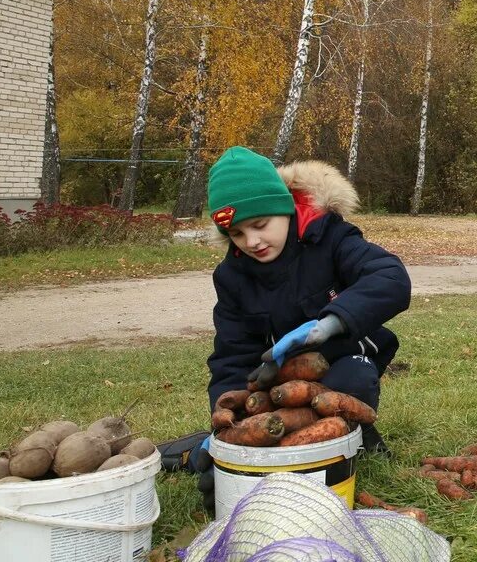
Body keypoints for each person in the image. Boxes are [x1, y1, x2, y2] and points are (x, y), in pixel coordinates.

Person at [159, 146, 410, 509]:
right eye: (237, 234)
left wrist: (331, 323)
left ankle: (354, 431)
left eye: (260, 225)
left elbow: (390, 278)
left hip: (344, 359)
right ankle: (204, 450)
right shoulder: (231, 275)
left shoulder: (331, 237)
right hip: (280, 379)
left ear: (285, 208)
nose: (253, 242)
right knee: (251, 416)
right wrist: (227, 428)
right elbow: (233, 352)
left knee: (350, 382)